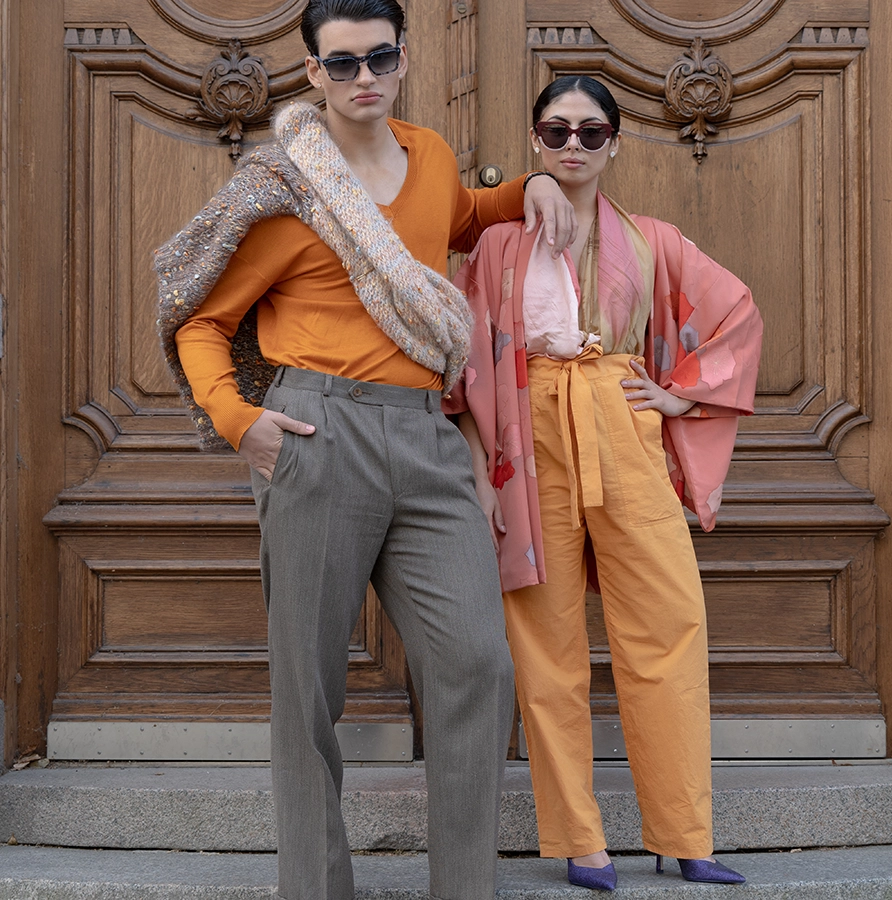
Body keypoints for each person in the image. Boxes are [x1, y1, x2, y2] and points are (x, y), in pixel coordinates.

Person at [155, 2, 578, 898]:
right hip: (319, 434)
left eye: (378, 59)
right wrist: (243, 423)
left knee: (476, 662)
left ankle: (465, 888)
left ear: (403, 59)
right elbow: (203, 322)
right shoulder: (285, 191)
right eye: (340, 64)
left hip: (426, 437)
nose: (362, 78)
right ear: (311, 71)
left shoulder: (428, 157)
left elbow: (459, 219)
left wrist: (534, 185)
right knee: (309, 693)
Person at [447, 75, 763, 891]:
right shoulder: (493, 247)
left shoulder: (653, 237)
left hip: (623, 424)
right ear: (535, 144)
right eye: (557, 132)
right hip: (530, 434)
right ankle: (580, 839)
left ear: (617, 144)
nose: (574, 146)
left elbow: (736, 313)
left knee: (668, 623)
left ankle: (682, 831)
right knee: (545, 643)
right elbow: (467, 362)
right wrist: (483, 469)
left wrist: (680, 394)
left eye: (592, 133)